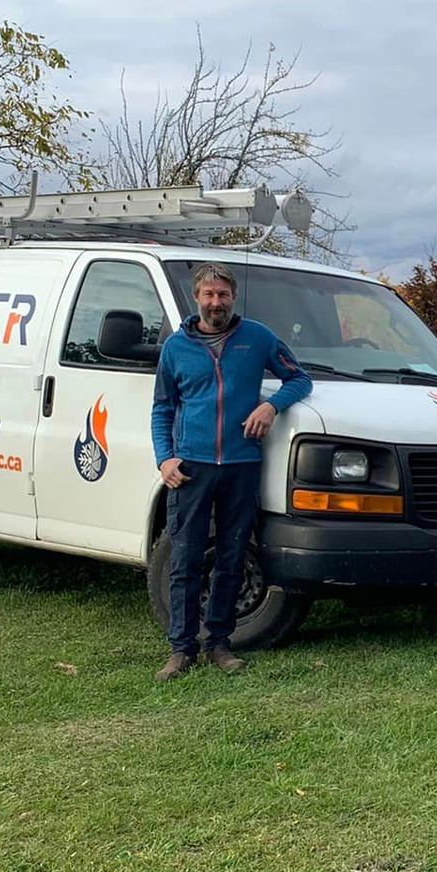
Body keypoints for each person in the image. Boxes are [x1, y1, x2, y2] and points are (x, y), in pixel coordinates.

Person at [150, 263, 312, 681]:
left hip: (241, 466)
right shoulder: (175, 348)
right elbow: (162, 408)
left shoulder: (256, 338)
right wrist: (165, 457)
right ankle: (180, 650)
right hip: (191, 468)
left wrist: (270, 405)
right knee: (185, 560)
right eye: (208, 295)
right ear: (196, 297)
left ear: (232, 297)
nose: (216, 302)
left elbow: (299, 379)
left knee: (232, 557)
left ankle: (219, 644)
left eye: (223, 295)